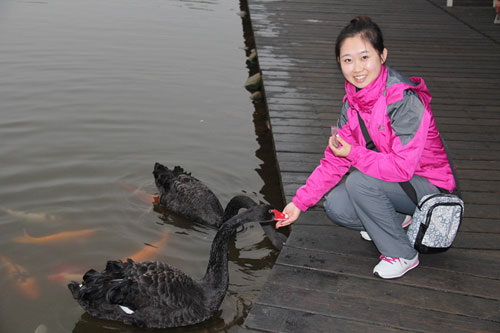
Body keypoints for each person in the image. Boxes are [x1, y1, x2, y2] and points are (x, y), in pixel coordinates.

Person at [275, 16, 457, 279]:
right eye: (348, 60)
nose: (357, 68)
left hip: (431, 188)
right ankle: (397, 220)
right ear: (339, 62)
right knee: (336, 205)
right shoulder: (352, 101)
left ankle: (403, 254)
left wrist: (353, 153)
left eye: (364, 57)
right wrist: (299, 203)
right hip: (396, 185)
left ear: (382, 55)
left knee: (359, 182)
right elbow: (334, 160)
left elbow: (402, 168)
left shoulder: (404, 100)